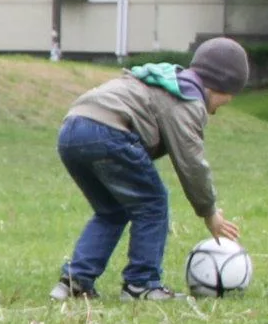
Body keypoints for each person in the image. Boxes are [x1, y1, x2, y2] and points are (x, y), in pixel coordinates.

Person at [52, 38, 249, 301]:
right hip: (109, 130)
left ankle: (75, 282)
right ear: (221, 85)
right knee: (153, 203)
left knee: (112, 210)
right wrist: (209, 211)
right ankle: (141, 283)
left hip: (72, 129)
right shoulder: (186, 99)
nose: (215, 111)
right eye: (225, 101)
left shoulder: (163, 80)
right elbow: (191, 163)